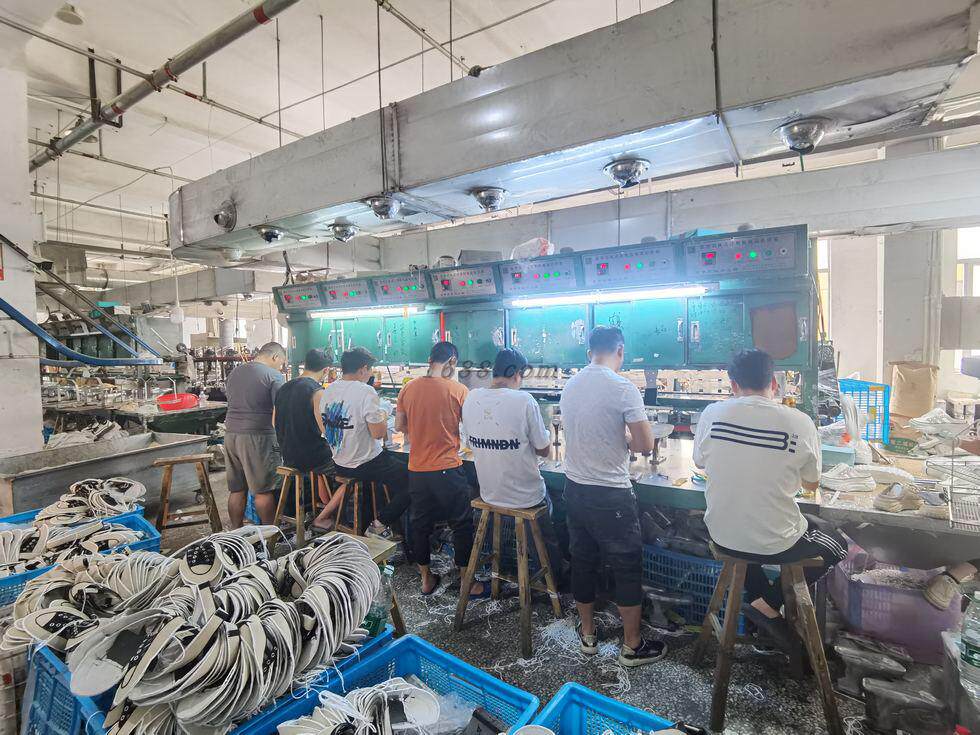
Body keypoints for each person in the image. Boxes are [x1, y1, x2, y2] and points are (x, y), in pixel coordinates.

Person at [693, 348, 847, 643]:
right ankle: (767, 605)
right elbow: (812, 484)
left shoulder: (712, 414)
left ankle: (765, 613)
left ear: (733, 385)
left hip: (721, 534)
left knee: (746, 539)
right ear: (774, 384)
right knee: (837, 543)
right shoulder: (800, 422)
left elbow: (700, 462)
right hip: (776, 542)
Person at [560, 325, 665, 667]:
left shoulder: (571, 385)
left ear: (589, 352)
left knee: (583, 561)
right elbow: (645, 444)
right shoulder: (623, 388)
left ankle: (588, 635)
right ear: (620, 351)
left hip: (574, 489)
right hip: (611, 494)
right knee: (626, 567)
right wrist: (627, 439)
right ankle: (632, 645)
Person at [461, 348, 562, 575]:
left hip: (489, 495)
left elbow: (469, 441)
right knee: (555, 504)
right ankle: (553, 575)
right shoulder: (524, 401)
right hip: (525, 498)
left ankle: (499, 567)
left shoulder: (471, 398)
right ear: (517, 374)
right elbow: (544, 450)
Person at [395, 341, 480, 596]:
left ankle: (425, 579)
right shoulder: (458, 389)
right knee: (461, 524)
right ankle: (466, 581)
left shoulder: (408, 388)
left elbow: (399, 426)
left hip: (417, 469)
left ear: (430, 360)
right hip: (447, 468)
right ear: (452, 361)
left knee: (420, 524)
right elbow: (472, 428)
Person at [318, 347, 410, 538]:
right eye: (370, 370)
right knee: (414, 481)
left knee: (376, 482)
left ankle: (365, 526)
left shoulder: (328, 390)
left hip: (339, 463)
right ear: (363, 369)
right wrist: (383, 412)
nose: (370, 375)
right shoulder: (365, 391)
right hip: (364, 464)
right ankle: (379, 524)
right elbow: (378, 433)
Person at [272, 348, 342, 531]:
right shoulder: (316, 391)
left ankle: (325, 511)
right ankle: (326, 517)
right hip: (310, 457)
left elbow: (273, 421)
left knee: (322, 467)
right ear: (326, 370)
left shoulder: (284, 387)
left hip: (288, 455)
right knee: (349, 469)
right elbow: (325, 429)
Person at [224, 341, 287, 527]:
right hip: (257, 437)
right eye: (281, 363)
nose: (281, 367)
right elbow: (280, 410)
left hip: (231, 434)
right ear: (275, 357)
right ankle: (270, 536)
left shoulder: (235, 372)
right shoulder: (273, 376)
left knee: (237, 489)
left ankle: (236, 533)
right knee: (263, 491)